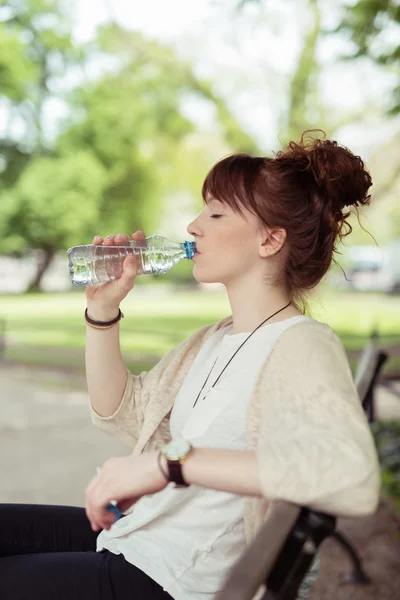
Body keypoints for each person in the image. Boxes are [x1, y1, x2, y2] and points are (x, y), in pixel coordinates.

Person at [0, 130, 381, 600]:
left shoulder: (301, 344)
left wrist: (171, 465)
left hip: (170, 579)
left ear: (270, 240)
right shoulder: (216, 338)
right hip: (136, 540)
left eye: (216, 212)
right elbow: (121, 410)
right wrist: (102, 311)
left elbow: (355, 478)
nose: (193, 226)